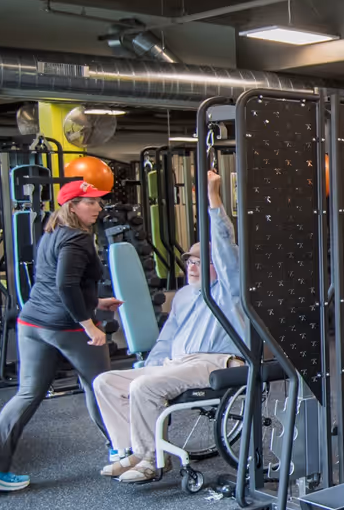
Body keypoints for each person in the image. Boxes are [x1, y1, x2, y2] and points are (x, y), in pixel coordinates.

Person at [0, 179, 123, 492]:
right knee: (100, 387)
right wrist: (89, 324)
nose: (97, 207)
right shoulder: (78, 238)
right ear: (71, 206)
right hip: (64, 326)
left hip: (32, 323)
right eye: (89, 202)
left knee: (28, 393)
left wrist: (95, 302)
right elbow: (65, 286)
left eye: (97, 201)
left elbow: (57, 282)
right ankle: (122, 449)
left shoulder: (52, 234)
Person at [95, 171, 246, 484]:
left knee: (143, 388)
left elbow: (223, 243)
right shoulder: (184, 296)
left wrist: (213, 196)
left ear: (218, 265)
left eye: (200, 261)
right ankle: (131, 453)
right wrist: (151, 366)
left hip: (214, 362)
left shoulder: (230, 291)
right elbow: (166, 340)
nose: (191, 266)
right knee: (106, 383)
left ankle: (152, 460)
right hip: (176, 364)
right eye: (189, 260)